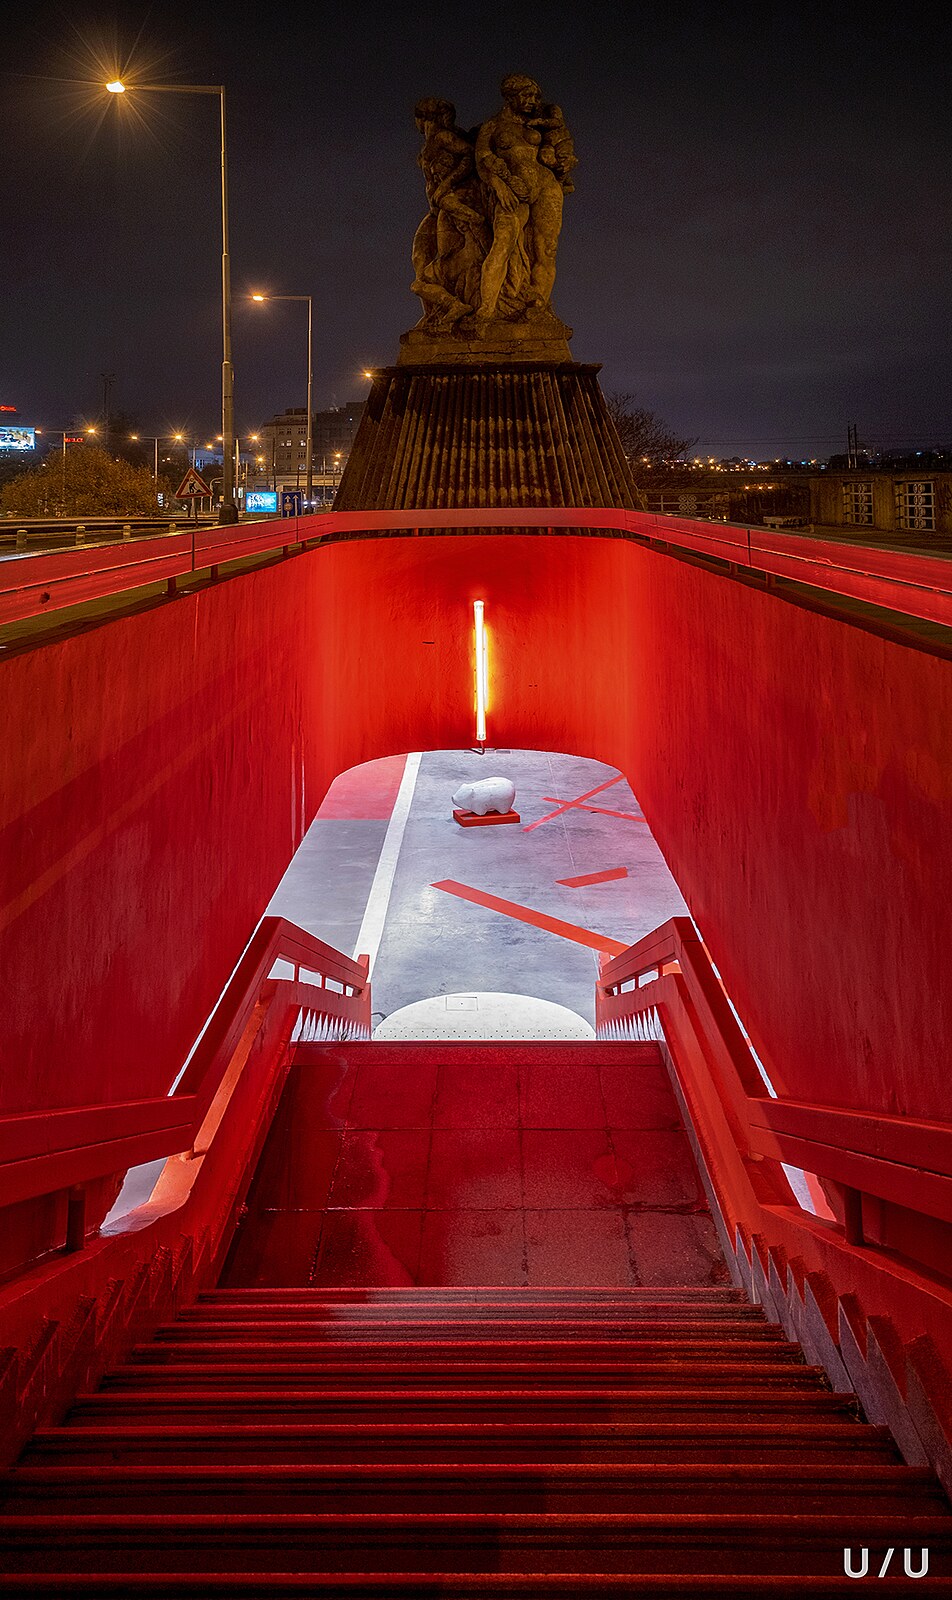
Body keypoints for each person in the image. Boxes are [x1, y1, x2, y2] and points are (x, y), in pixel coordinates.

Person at [469, 74, 569, 334]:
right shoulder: (493, 126)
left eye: (535, 97)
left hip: (546, 187)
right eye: (526, 96)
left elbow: (559, 149)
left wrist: (561, 161)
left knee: (547, 249)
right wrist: (499, 185)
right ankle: (487, 309)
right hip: (514, 190)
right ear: (510, 97)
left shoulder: (540, 125)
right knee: (502, 244)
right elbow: (481, 159)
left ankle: (538, 305)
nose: (532, 101)